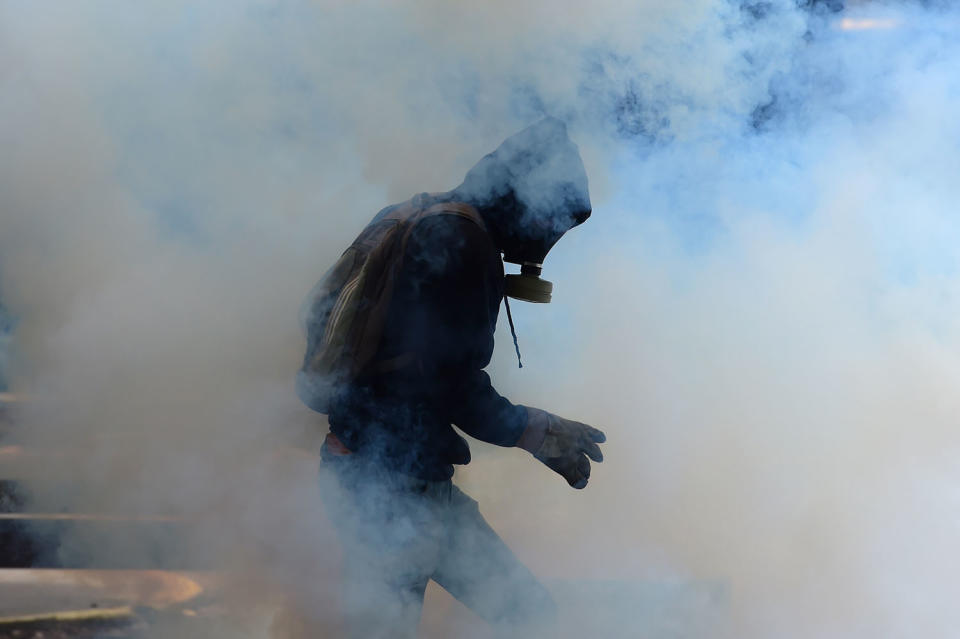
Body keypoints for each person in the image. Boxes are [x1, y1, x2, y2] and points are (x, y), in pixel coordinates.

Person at [299, 117, 606, 637]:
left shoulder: (414, 213)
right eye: (552, 222)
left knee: (526, 614)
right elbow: (450, 384)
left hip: (383, 474)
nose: (548, 240)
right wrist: (539, 432)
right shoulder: (462, 244)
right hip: (390, 487)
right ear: (527, 199)